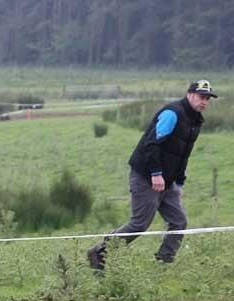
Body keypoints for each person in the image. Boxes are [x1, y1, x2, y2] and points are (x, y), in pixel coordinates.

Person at [87, 80, 217, 270]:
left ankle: (163, 262)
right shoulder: (172, 113)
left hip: (168, 181)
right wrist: (156, 173)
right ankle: (99, 252)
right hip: (146, 176)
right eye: (201, 97)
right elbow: (152, 144)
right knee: (139, 224)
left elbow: (182, 154)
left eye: (207, 98)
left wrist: (179, 182)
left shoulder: (195, 120)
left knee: (179, 221)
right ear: (190, 95)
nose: (204, 101)